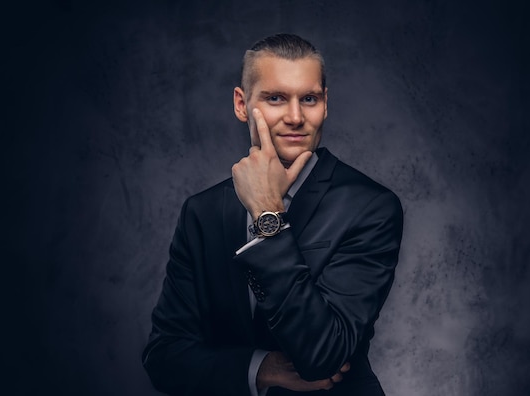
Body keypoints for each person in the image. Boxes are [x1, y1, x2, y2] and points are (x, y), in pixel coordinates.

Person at [142, 33, 403, 396]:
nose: (295, 117)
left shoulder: (371, 207)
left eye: (309, 99)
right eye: (276, 98)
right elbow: (165, 357)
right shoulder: (200, 213)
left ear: (325, 104)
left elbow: (323, 355)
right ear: (241, 103)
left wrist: (268, 214)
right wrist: (261, 368)